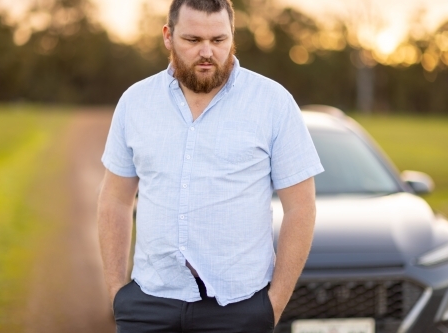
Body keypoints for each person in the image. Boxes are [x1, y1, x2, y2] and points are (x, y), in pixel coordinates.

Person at [97, 0, 324, 332]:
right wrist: (118, 293)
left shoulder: (273, 103)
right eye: (192, 40)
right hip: (148, 305)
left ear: (232, 36)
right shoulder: (135, 103)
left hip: (240, 308)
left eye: (218, 40)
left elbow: (301, 207)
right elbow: (115, 200)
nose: (207, 51)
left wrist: (272, 305)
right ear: (168, 36)